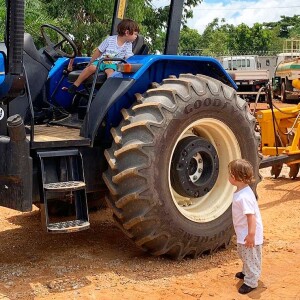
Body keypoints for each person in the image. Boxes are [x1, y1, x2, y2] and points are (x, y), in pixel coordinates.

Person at [68, 19, 139, 94]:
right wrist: (91, 62)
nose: (136, 37)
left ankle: (106, 92)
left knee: (110, 73)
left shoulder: (128, 44)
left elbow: (129, 57)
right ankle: (75, 85)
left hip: (113, 64)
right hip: (101, 61)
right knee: (91, 68)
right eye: (135, 34)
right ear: (127, 32)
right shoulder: (110, 39)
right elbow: (99, 51)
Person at [228, 159, 263, 295]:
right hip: (244, 232)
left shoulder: (244, 196)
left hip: (249, 233)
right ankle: (246, 272)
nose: (228, 176)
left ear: (235, 177)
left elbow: (251, 216)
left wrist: (251, 235)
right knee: (244, 254)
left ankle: (251, 281)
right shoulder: (242, 191)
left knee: (251, 256)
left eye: (230, 174)